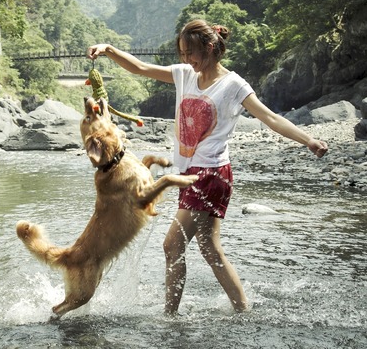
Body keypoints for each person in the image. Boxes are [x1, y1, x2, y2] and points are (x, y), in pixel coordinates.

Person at [87, 19, 328, 315]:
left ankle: (170, 317)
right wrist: (109, 49)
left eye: (191, 53)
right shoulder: (185, 75)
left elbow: (270, 118)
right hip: (190, 173)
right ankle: (242, 309)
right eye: (183, 54)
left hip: (210, 174)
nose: (187, 60)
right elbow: (140, 68)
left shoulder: (233, 85)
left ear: (210, 48)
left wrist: (309, 140)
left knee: (172, 244)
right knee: (209, 248)